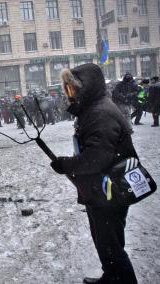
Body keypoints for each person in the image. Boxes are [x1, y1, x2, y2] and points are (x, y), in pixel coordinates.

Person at [51, 63, 138, 283]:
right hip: (101, 190)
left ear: (85, 87)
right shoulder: (92, 109)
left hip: (110, 191)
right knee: (104, 243)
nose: (69, 94)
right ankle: (110, 277)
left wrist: (66, 165)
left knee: (112, 247)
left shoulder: (100, 113)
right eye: (67, 89)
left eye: (72, 88)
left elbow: (96, 158)